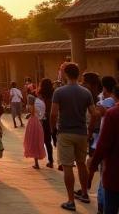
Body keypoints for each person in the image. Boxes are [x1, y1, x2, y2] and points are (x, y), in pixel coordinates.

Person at [51, 62, 98, 211]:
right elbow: (94, 114)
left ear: (65, 74)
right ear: (78, 75)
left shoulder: (59, 92)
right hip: (81, 133)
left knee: (67, 167)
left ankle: (71, 200)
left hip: (65, 132)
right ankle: (84, 193)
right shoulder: (86, 92)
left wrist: (53, 129)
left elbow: (53, 113)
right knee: (82, 164)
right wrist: (90, 130)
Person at [88, 101, 119, 214]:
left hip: (114, 174)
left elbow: (103, 145)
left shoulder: (113, 114)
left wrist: (92, 166)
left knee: (111, 208)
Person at [23, 93, 47, 169]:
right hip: (37, 123)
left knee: (32, 141)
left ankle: (36, 163)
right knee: (37, 141)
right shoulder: (38, 105)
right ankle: (36, 162)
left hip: (32, 123)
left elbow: (31, 112)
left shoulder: (31, 106)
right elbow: (39, 114)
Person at [38, 77, 56, 168]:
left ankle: (50, 160)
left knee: (47, 141)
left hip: (44, 118)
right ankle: (59, 162)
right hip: (55, 118)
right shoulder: (54, 93)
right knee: (56, 140)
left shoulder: (40, 94)